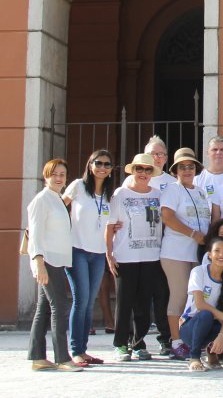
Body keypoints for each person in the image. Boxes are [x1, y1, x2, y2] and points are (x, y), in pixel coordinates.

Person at [106, 153, 165, 362]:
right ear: (133, 171)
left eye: (148, 170)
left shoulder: (158, 195)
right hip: (125, 256)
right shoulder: (120, 194)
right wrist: (109, 254)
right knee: (124, 303)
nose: (143, 173)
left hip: (151, 256)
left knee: (143, 303)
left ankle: (139, 343)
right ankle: (121, 344)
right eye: (139, 169)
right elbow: (110, 226)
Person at [27, 158, 84, 372]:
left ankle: (38, 357)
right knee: (59, 307)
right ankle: (62, 358)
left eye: (62, 174)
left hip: (57, 260)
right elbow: (35, 234)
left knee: (44, 309)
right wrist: (39, 262)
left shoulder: (56, 199)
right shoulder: (42, 200)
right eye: (54, 174)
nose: (59, 178)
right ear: (46, 176)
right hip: (47, 260)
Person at [120, 135, 175, 353]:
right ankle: (134, 340)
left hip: (164, 247)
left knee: (162, 294)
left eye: (161, 154)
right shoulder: (130, 182)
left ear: (166, 158)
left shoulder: (172, 182)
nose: (157, 158)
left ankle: (165, 338)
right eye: (153, 154)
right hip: (136, 250)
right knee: (136, 297)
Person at [62, 150, 115, 366]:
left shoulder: (110, 195)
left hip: (98, 254)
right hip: (77, 250)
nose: (102, 167)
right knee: (81, 300)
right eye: (98, 163)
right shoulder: (77, 186)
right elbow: (59, 207)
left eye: (107, 164)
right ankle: (76, 350)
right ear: (90, 165)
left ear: (111, 170)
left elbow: (110, 222)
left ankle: (83, 350)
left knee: (89, 302)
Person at [159, 148, 212, 360]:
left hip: (196, 253)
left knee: (195, 297)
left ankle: (190, 338)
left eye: (191, 166)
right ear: (175, 170)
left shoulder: (200, 192)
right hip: (176, 252)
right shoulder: (172, 190)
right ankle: (176, 341)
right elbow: (167, 217)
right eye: (182, 167)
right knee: (179, 295)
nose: (187, 170)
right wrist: (192, 234)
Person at [179, 236, 223, 372]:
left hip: (214, 324)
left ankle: (211, 352)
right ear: (209, 255)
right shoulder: (198, 271)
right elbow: (200, 305)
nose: (221, 255)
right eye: (217, 251)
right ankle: (194, 357)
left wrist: (222, 335)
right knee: (206, 314)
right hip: (191, 325)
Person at [193, 136, 223, 202]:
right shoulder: (197, 180)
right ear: (207, 153)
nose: (218, 152)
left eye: (222, 150)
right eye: (215, 149)